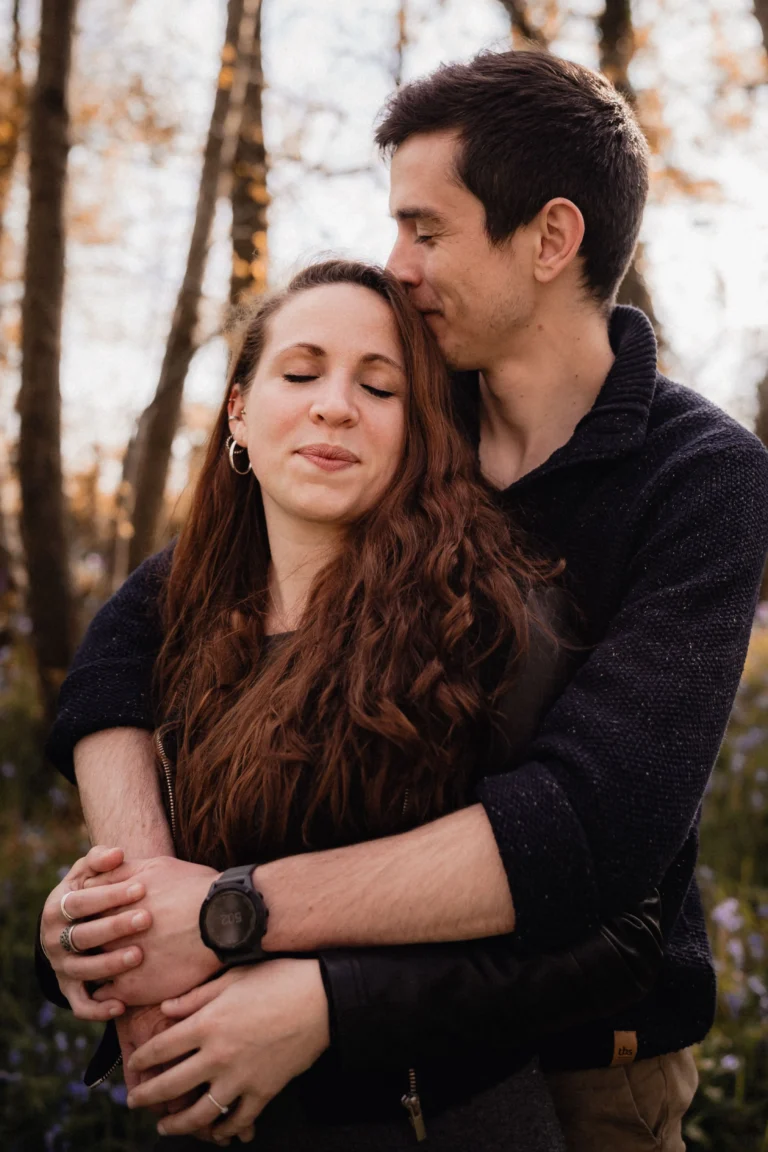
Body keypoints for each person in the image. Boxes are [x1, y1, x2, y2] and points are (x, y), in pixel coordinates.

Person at [41, 49, 768, 1151]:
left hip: (587, 1054)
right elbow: (134, 630)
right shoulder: (411, 417)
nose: (400, 266)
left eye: (427, 230)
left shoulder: (702, 477)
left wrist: (232, 918)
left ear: (551, 239)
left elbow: (594, 831)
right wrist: (141, 902)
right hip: (326, 1058)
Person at [38, 258, 662, 1151]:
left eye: (381, 386)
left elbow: (612, 931)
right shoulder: (172, 639)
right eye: (300, 373)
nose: (335, 404)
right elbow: (164, 882)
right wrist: (82, 936)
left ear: (421, 434)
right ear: (239, 413)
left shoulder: (495, 626)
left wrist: (332, 1004)